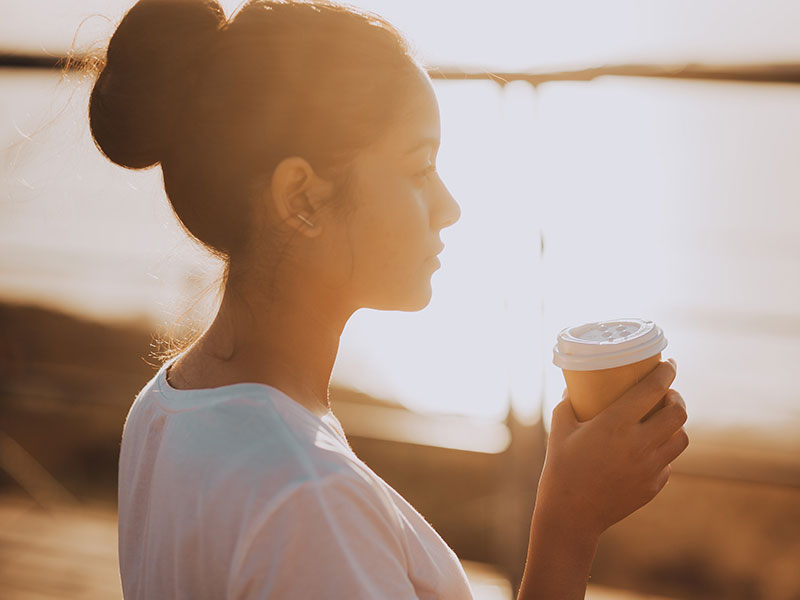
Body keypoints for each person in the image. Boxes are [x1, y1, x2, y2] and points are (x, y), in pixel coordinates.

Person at [90, 1, 689, 598]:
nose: (449, 205)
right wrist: (569, 524)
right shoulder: (310, 503)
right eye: (418, 167)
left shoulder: (164, 408)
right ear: (300, 196)